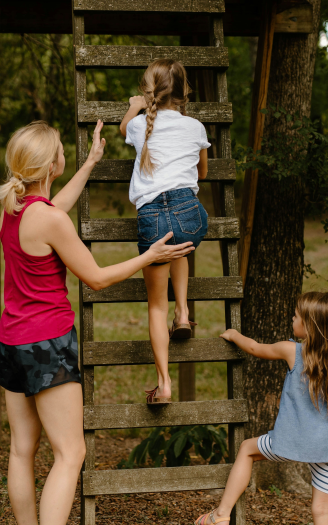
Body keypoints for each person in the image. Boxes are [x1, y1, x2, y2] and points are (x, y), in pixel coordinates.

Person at [0, 119, 194, 525]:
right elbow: (97, 278)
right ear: (52, 165)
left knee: (20, 450)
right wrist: (149, 256)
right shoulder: (48, 220)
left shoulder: (12, 208)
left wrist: (89, 164)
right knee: (71, 454)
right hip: (46, 345)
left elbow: (54, 209)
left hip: (10, 341)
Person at [195, 291, 328, 525]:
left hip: (294, 441)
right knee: (322, 511)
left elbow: (255, 348)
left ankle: (221, 515)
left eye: (296, 317)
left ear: (311, 326)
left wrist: (234, 334)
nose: (292, 319)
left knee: (247, 449)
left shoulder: (293, 351)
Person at [120, 58, 209, 404]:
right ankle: (183, 312)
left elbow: (122, 128)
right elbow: (201, 173)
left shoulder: (140, 124)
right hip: (191, 213)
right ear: (184, 90)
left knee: (156, 305)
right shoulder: (195, 127)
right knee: (180, 244)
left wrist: (134, 107)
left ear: (150, 91)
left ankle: (164, 384)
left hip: (153, 215)